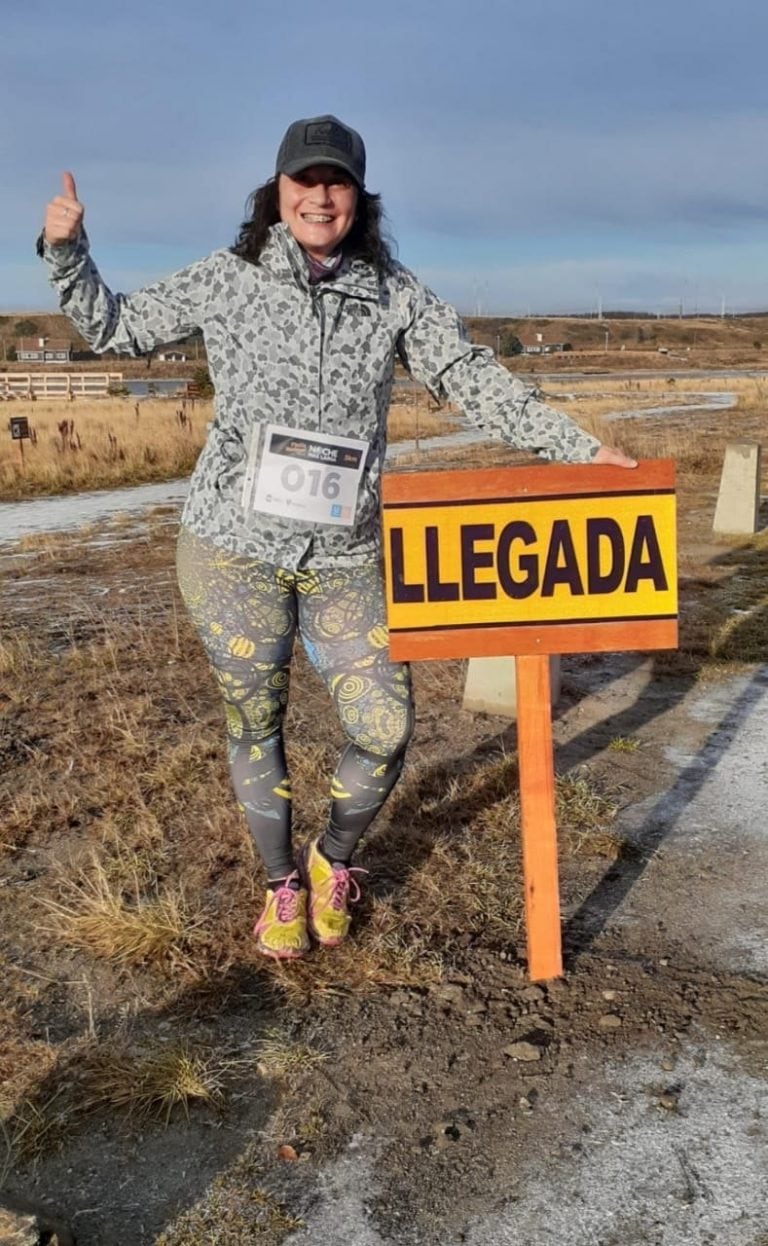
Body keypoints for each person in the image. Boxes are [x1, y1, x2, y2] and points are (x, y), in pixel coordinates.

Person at [40, 114, 636, 961]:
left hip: (346, 558)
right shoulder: (228, 278)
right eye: (303, 181)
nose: (320, 196)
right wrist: (67, 250)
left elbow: (469, 375)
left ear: (359, 195)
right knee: (257, 722)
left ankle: (332, 859)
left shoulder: (393, 294)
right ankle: (281, 884)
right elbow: (113, 329)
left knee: (386, 725)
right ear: (276, 193)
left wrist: (580, 450)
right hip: (230, 550)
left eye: (337, 181)